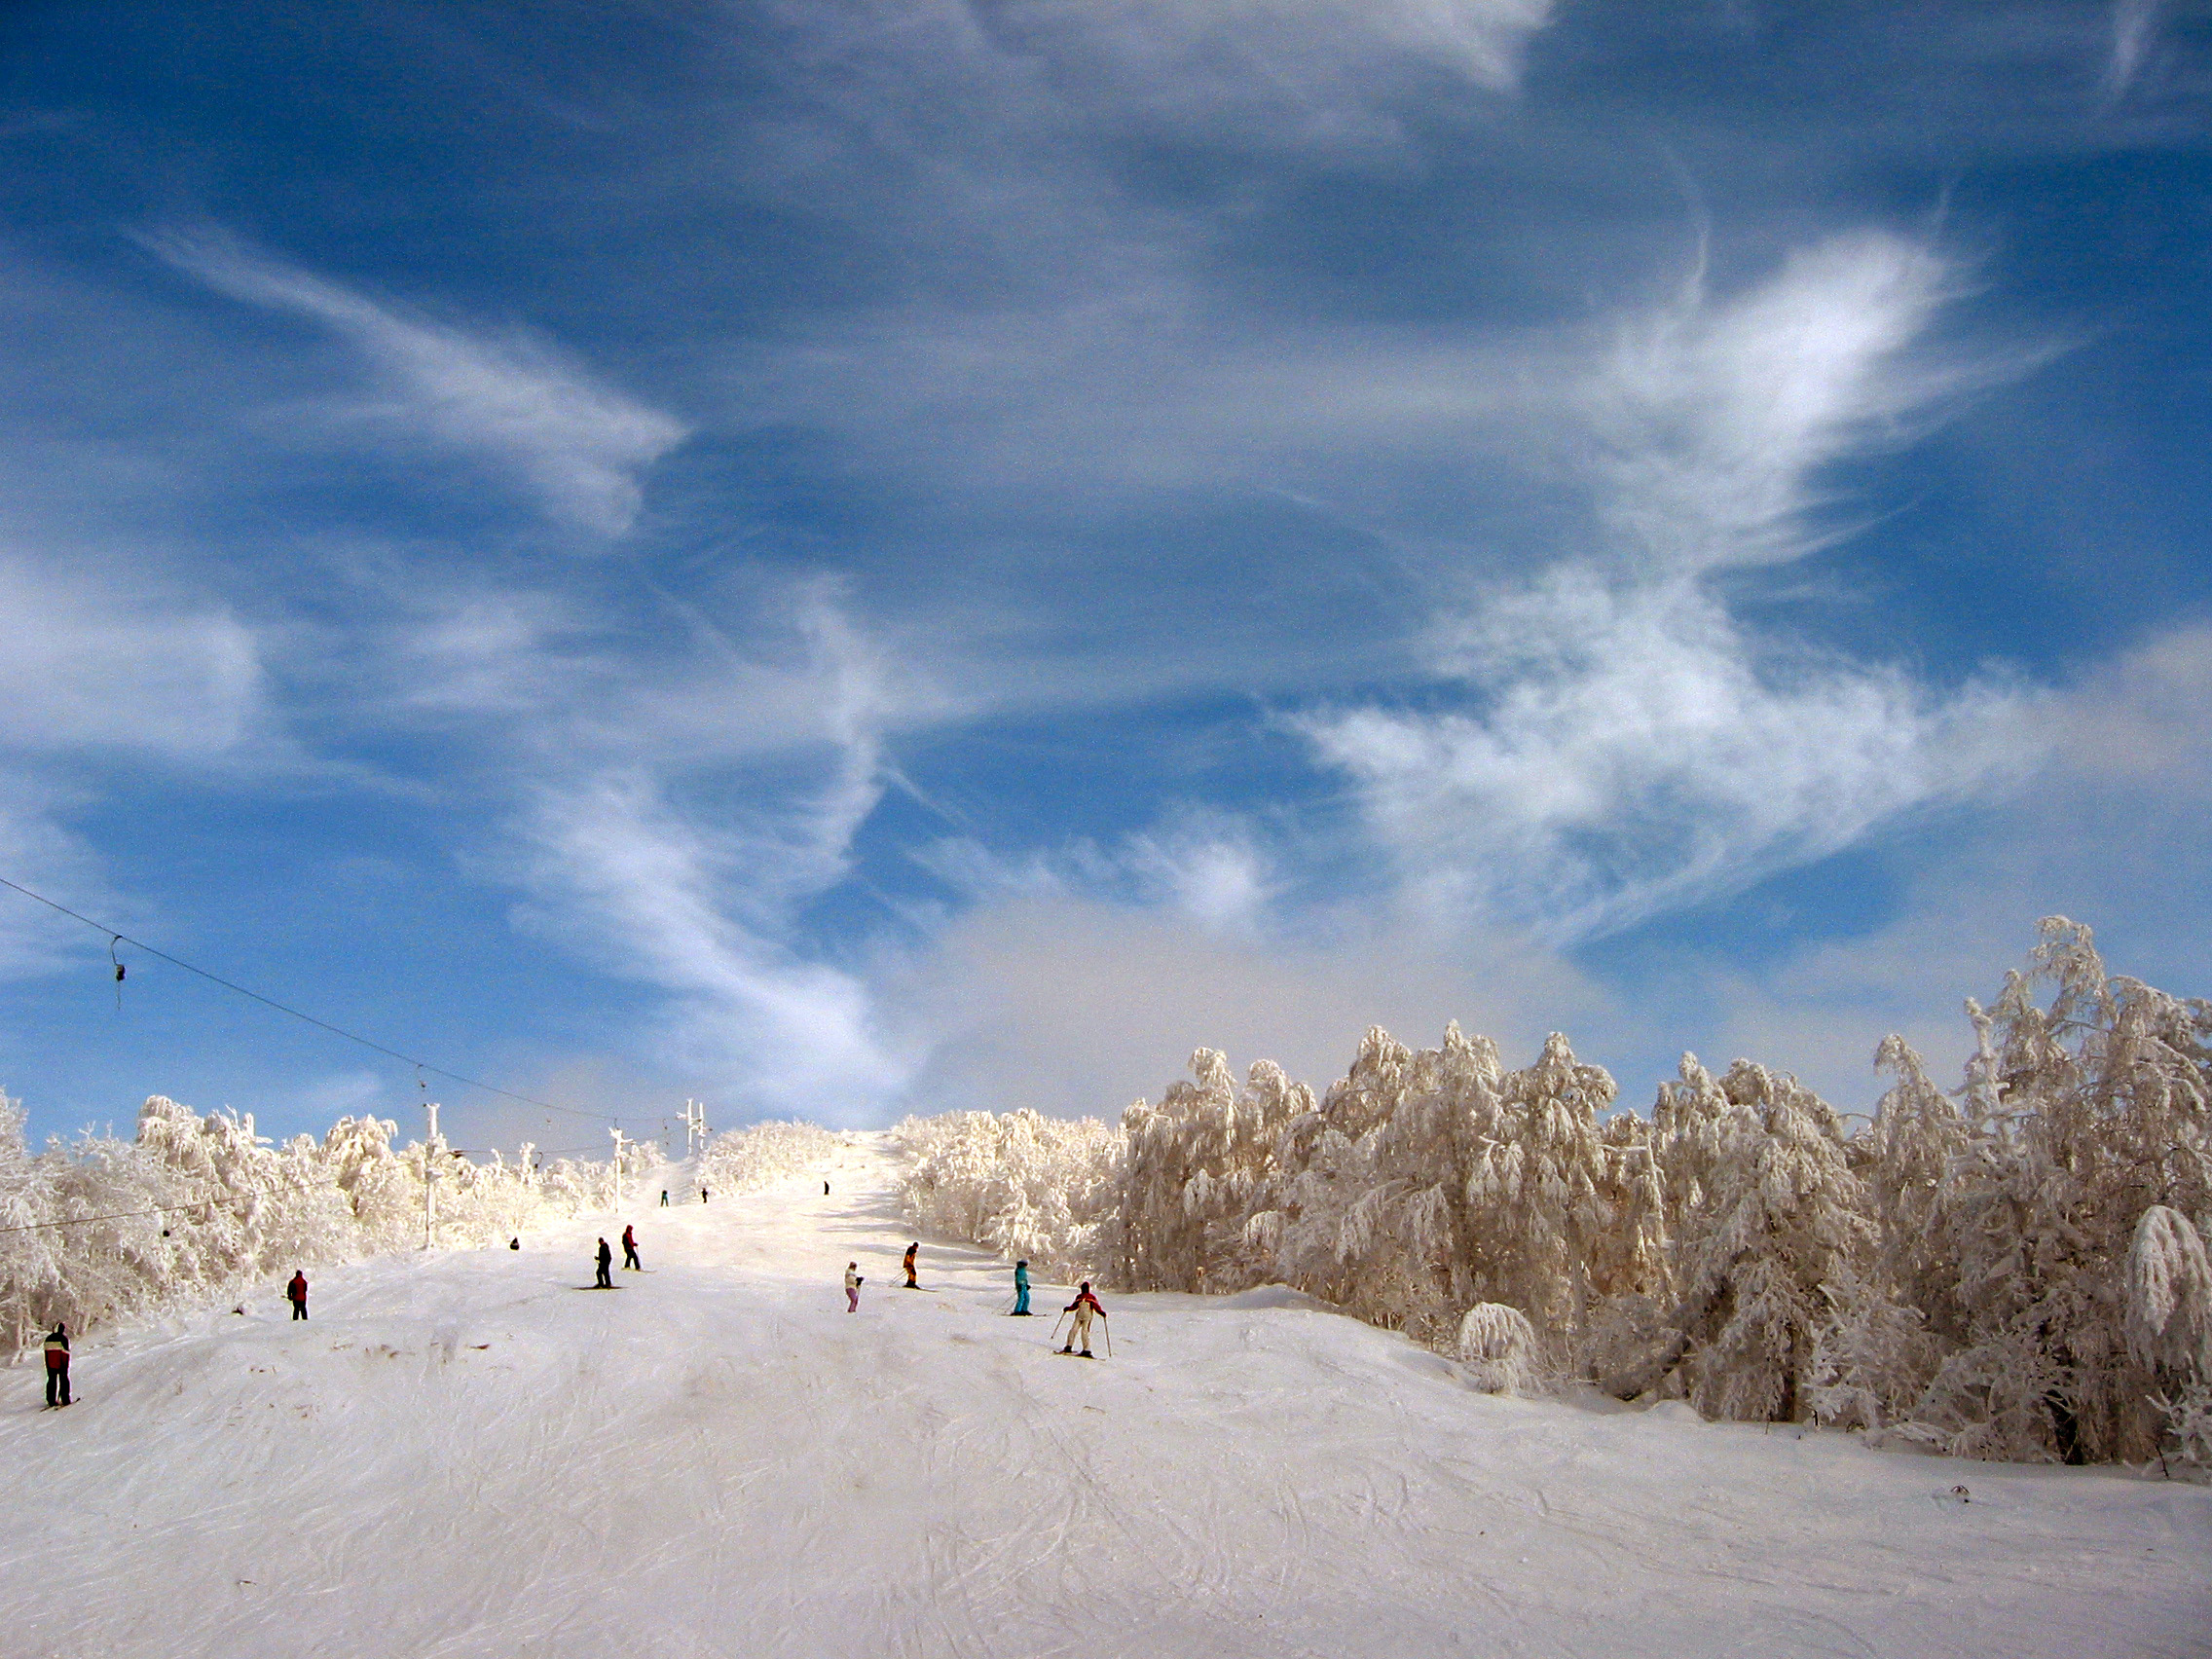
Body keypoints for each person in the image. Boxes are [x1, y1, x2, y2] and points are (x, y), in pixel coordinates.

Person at [1060, 1283, 1104, 1357]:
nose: (1084, 1290)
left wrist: (1101, 1312)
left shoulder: (1091, 1297)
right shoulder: (1079, 1297)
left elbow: (1096, 1306)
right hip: (1079, 1316)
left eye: (1085, 1288)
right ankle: (1068, 1346)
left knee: (1084, 1332)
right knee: (1073, 1330)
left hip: (1087, 1317)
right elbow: (1074, 1306)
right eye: (1083, 1288)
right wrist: (1068, 1308)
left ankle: (1086, 1350)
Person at [42, 1322, 69, 1408]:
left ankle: (51, 1400)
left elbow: (46, 1353)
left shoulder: (48, 1338)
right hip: (61, 1363)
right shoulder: (63, 1338)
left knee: (51, 1381)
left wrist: (47, 1365)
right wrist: (66, 1365)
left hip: (50, 1364)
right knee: (64, 1380)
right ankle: (65, 1399)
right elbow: (65, 1353)